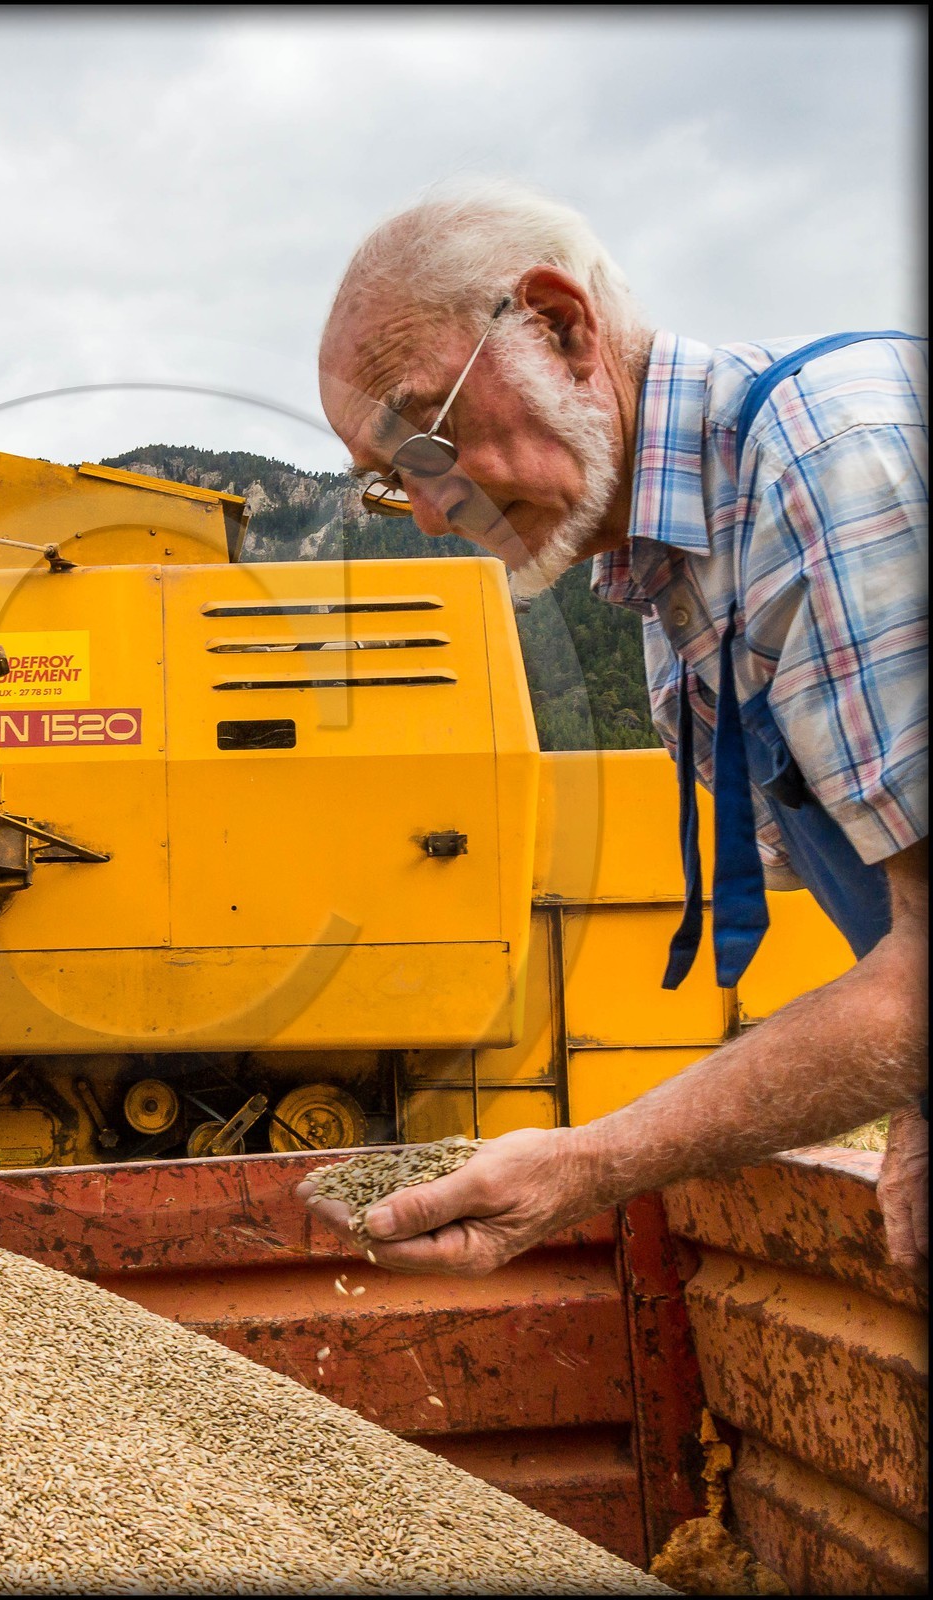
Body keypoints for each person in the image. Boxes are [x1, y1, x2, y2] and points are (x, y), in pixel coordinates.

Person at [305, 179, 927, 1273]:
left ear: (559, 325)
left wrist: (581, 1164)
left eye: (426, 442)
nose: (434, 510)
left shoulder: (830, 463)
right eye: (389, 483)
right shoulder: (668, 587)